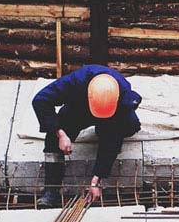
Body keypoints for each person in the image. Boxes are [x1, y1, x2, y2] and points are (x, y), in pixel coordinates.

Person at [32, 64, 142, 207]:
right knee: (52, 138)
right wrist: (61, 134)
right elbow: (40, 100)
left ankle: (102, 128)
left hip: (112, 115)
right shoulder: (75, 82)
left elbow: (111, 142)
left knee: (129, 126)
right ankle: (51, 191)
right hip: (79, 109)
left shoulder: (123, 96)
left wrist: (96, 181)